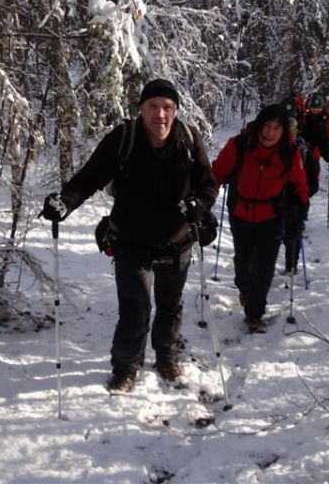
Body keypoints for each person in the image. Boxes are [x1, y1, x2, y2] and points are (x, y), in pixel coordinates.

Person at [41, 79, 219, 393]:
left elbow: (208, 185)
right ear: (141, 108)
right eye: (153, 106)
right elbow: (90, 176)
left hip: (178, 241)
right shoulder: (123, 139)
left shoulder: (189, 139)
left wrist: (198, 205)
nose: (160, 114)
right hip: (131, 241)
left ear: (175, 111)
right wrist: (66, 201)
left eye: (167, 107)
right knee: (135, 309)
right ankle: (125, 368)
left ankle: (166, 358)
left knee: (170, 305)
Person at [211, 104, 309, 332]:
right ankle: (244, 288)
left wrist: (298, 216)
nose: (270, 133)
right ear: (260, 125)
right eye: (267, 125)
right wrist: (204, 199)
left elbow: (300, 186)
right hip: (240, 213)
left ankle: (255, 313)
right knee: (243, 261)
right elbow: (216, 172)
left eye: (276, 128)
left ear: (284, 131)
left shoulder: (289, 152)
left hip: (272, 215)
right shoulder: (240, 144)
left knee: (264, 267)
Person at [282, 115, 312, 274]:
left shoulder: (303, 149)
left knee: (293, 235)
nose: (289, 133)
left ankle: (291, 265)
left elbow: (312, 178)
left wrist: (304, 197)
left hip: (296, 198)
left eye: (292, 129)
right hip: (277, 197)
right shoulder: (273, 147)